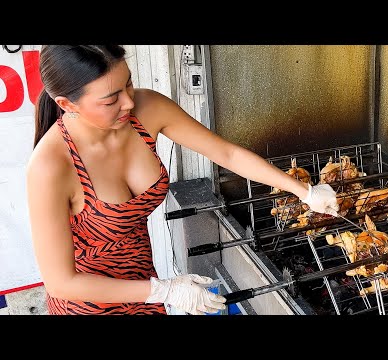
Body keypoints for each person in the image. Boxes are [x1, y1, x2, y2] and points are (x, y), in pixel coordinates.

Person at [26, 45, 339, 315]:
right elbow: (61, 282)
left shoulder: (147, 110)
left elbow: (227, 155)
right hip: (90, 300)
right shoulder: (50, 167)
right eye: (111, 100)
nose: (129, 103)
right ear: (67, 104)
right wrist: (164, 291)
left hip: (143, 281)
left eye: (129, 84)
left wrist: (304, 190)